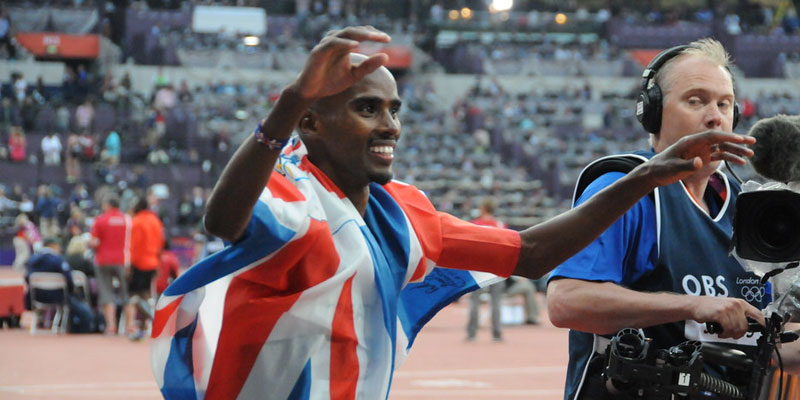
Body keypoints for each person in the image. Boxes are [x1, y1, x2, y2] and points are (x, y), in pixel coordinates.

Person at [151, 27, 755, 399]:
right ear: (311, 122)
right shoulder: (295, 192)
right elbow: (224, 222)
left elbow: (532, 255)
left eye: (394, 109)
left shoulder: (405, 211)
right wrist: (289, 101)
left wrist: (647, 175)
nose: (390, 125)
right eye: (367, 108)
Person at [546, 38, 800, 400]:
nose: (714, 116)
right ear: (653, 113)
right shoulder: (626, 188)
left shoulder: (749, 206)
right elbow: (567, 301)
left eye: (724, 104)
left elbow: (768, 349)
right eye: (695, 100)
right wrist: (693, 305)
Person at [466, 199, 508, 342]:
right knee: (496, 301)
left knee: (475, 301)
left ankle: (471, 332)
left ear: (483, 208)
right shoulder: (500, 224)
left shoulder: (474, 224)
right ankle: (497, 333)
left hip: (479, 266)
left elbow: (470, 246)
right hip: (497, 267)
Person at [90, 193, 131, 335]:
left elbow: (94, 242)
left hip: (103, 261)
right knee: (127, 293)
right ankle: (130, 326)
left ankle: (111, 326)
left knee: (106, 293)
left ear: (107, 205)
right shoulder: (127, 220)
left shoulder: (100, 220)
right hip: (123, 260)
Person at [125, 196, 163, 340]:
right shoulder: (155, 221)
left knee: (133, 296)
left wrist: (130, 265)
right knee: (147, 294)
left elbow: (134, 245)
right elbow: (160, 243)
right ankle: (147, 326)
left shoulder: (136, 221)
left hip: (138, 263)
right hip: (152, 262)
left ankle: (131, 326)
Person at [24, 237, 74, 313]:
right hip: (58, 297)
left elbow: (27, 278)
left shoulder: (31, 260)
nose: (60, 248)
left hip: (36, 297)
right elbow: (69, 280)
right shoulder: (58, 260)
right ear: (53, 246)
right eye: (58, 246)